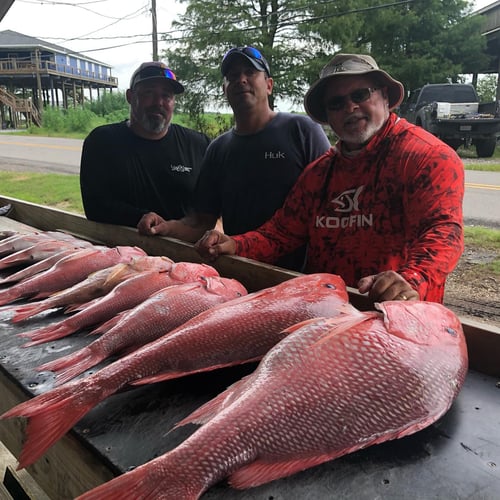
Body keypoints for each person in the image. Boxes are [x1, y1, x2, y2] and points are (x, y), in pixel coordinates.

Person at [195, 53, 465, 303]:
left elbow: (443, 233)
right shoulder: (319, 173)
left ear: (384, 95)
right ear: (327, 116)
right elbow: (281, 234)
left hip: (395, 323)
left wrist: (411, 279)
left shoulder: (425, 157)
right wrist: (236, 244)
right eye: (336, 103)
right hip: (324, 315)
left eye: (360, 94)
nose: (350, 107)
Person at [137, 46, 331, 271]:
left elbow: (330, 208)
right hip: (241, 271)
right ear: (224, 89)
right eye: (232, 76)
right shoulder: (218, 149)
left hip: (300, 276)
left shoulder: (302, 131)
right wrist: (166, 227)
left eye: (250, 72)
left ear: (269, 85)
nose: (241, 80)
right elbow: (201, 222)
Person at [80, 61, 210, 228]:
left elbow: (211, 208)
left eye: (166, 95)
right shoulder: (102, 142)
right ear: (130, 96)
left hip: (183, 250)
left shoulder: (198, 144)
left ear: (173, 102)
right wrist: (140, 217)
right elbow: (95, 206)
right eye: (149, 93)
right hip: (119, 250)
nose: (158, 102)